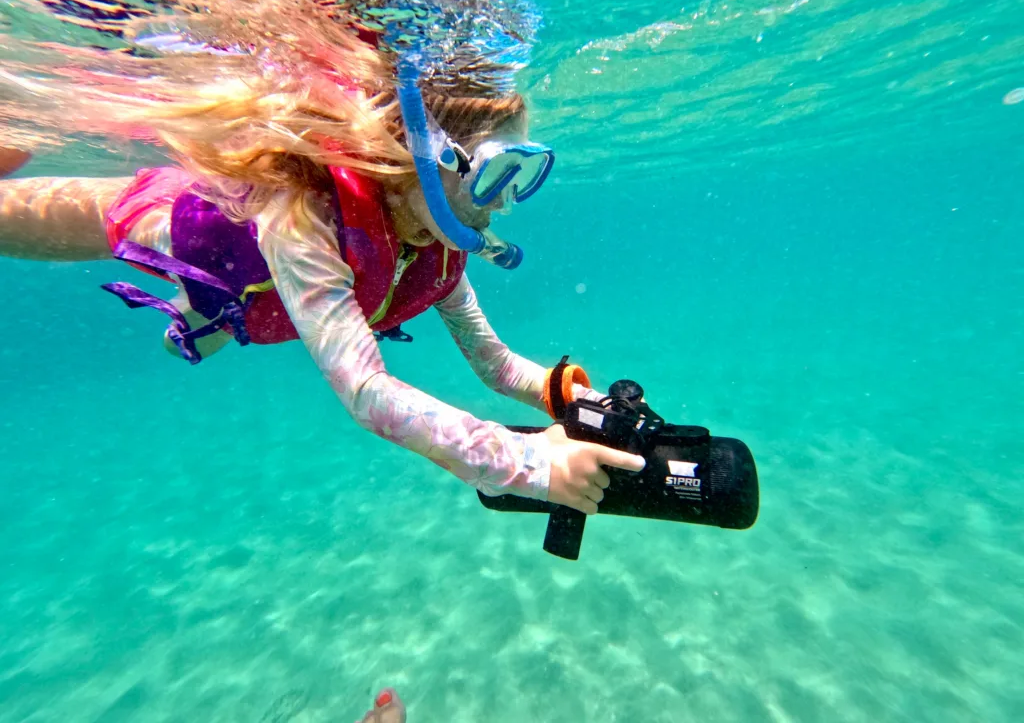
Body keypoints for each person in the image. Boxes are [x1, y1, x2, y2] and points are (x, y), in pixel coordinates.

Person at [0, 32, 645, 516]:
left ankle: (205, 318)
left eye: (523, 175)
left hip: (255, 303)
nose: (504, 203)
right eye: (497, 172)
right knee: (43, 220)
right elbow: (367, 392)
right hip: (183, 229)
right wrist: (529, 462)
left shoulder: (437, 246)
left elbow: (496, 365)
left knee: (194, 338)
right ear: (426, 156)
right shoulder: (306, 215)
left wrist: (570, 400)